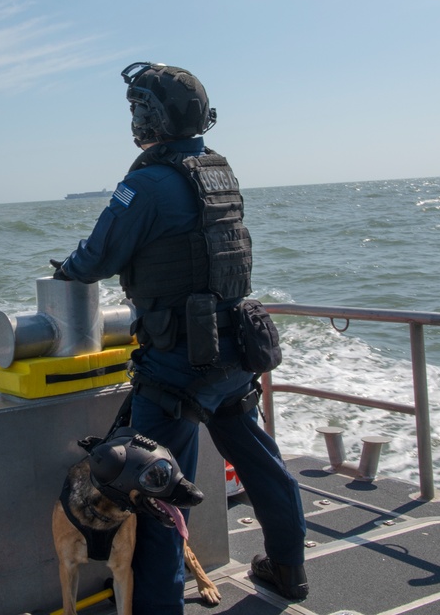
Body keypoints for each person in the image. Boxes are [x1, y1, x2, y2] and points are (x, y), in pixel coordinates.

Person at [51, 62, 308, 614]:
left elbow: (95, 259)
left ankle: (158, 608)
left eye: (137, 108)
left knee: (157, 490)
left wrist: (66, 271)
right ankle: (289, 569)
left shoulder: (144, 183)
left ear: (151, 116)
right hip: (233, 348)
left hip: (175, 362)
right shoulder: (219, 171)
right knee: (263, 464)